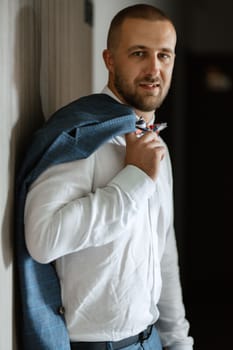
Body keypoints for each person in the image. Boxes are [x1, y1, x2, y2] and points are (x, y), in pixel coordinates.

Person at [21, 4, 194, 350]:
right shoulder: (80, 135)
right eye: (139, 53)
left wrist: (178, 342)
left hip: (153, 340)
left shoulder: (155, 144)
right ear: (110, 60)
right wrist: (135, 178)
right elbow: (43, 238)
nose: (154, 68)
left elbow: (164, 252)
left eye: (164, 55)